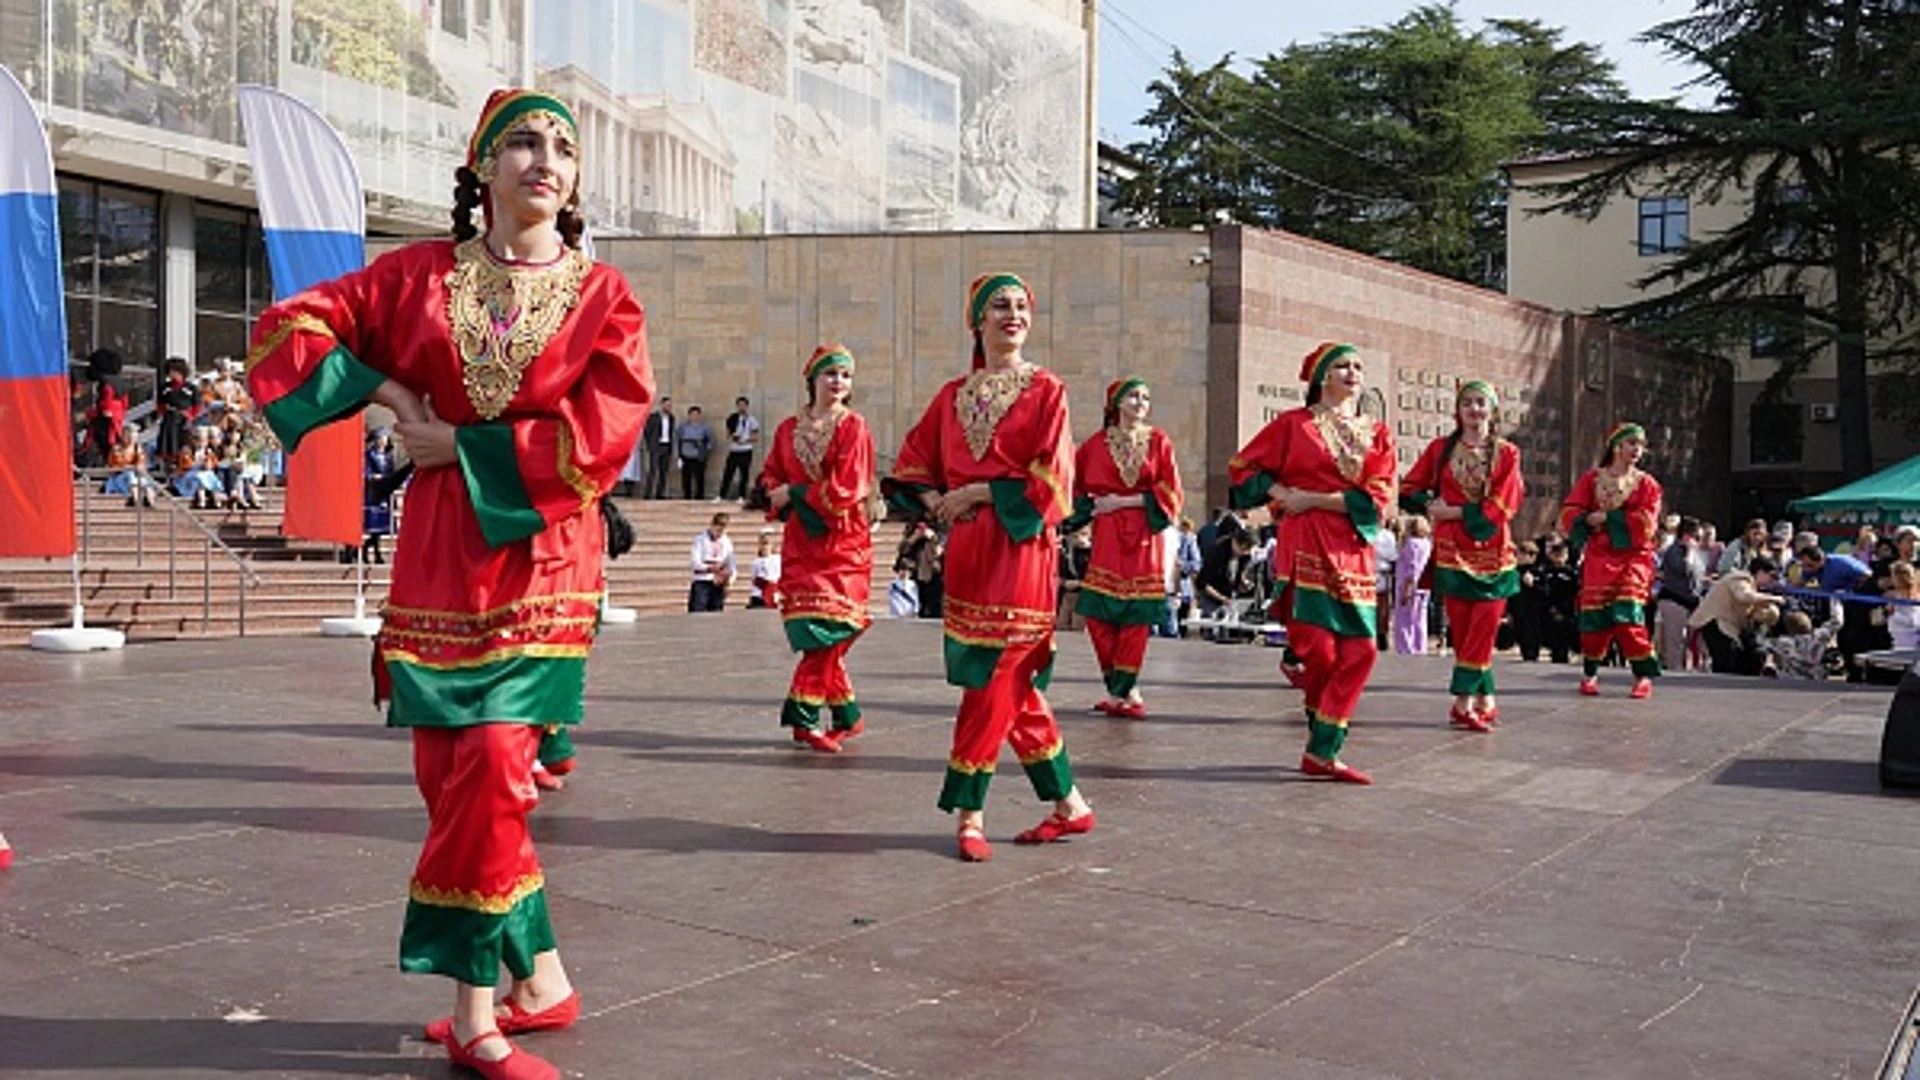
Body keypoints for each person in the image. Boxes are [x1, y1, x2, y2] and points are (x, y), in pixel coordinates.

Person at [245, 88, 653, 1080]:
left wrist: (460, 444)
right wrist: (386, 395)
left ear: (576, 179)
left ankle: (477, 1017)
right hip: (434, 567)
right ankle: (543, 977)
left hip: (543, 564)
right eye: (522, 141)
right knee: (454, 785)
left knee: (491, 774)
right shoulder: (416, 278)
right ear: (481, 167)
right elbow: (288, 328)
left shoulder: (606, 298)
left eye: (563, 145)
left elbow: (603, 436)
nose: (543, 159)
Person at [882, 272, 1094, 862]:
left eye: (1023, 305)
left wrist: (976, 493)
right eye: (1000, 305)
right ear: (977, 320)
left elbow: (1054, 478)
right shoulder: (952, 396)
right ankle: (1069, 804)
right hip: (970, 557)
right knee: (1013, 686)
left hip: (1022, 552)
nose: (1013, 314)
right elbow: (913, 464)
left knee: (992, 679)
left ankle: (969, 811)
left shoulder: (1048, 390)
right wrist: (936, 503)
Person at [1227, 342, 1396, 784]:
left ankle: (1321, 744)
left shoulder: (1377, 433)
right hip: (1305, 542)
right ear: (1322, 375)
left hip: (1353, 547)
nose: (1353, 372)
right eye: (1343, 365)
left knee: (1362, 649)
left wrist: (1316, 498)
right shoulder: (1293, 425)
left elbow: (1379, 495)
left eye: (1359, 365)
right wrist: (1284, 497)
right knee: (1320, 650)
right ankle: (1322, 747)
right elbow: (1243, 468)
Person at [760, 344, 876, 753]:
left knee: (833, 628)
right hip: (802, 543)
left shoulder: (853, 427)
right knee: (817, 633)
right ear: (813, 380)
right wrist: (772, 489)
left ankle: (803, 716)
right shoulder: (787, 428)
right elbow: (771, 471)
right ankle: (847, 715)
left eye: (845, 376)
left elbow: (848, 486)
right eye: (830, 374)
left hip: (843, 542)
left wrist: (792, 492)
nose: (838, 382)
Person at [1399, 380, 1525, 731]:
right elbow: (1409, 488)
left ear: (1493, 410)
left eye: (1481, 402)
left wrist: (1455, 512)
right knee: (1466, 630)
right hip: (1452, 551)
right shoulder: (1441, 449)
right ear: (1458, 410)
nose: (1474, 409)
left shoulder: (1507, 453)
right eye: (1467, 402)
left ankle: (1461, 700)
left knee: (1484, 626)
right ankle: (1487, 699)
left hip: (1493, 552)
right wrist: (1429, 505)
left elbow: (1505, 502)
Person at [1064, 377, 1184, 719]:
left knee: (1136, 615)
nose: (1141, 402)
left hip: (1144, 538)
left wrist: (1121, 501)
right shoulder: (1093, 446)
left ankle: (1124, 692)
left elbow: (1171, 493)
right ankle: (1121, 689)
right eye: (1133, 395)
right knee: (1099, 615)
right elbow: (1074, 488)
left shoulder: (1159, 441)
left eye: (1146, 396)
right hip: (1107, 538)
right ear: (1115, 402)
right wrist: (1075, 516)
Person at [1559, 423, 1664, 698]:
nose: (1637, 450)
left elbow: (1648, 522)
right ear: (1616, 446)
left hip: (1633, 556)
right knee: (1595, 617)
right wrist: (1584, 520)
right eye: (1631, 443)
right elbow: (1570, 510)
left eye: (1640, 445)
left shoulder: (1647, 484)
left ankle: (1642, 675)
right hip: (1599, 555)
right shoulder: (1592, 479)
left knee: (1628, 614)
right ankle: (1590, 672)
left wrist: (1609, 518)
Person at [1796, 542, 1882, 680]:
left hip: (1856, 605)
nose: (1807, 569)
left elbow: (1868, 575)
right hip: (1835, 605)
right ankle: (1850, 670)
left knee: (1854, 639)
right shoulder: (1810, 570)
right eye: (1804, 565)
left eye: (1810, 566)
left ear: (1821, 560)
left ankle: (1861, 673)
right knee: (1841, 639)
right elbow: (1799, 583)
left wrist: (1851, 590)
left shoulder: (1842, 563)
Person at [1687, 554, 1783, 675]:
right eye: (1772, 576)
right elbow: (1744, 596)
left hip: (1724, 626)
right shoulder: (1740, 579)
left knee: (1732, 663)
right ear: (1760, 572)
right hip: (1716, 623)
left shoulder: (1752, 587)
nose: (1772, 581)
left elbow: (1751, 612)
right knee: (1727, 664)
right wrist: (1774, 599)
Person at [1654, 517, 1706, 673]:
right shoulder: (1674, 551)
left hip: (1690, 600)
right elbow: (1682, 569)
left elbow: (1697, 575)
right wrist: (1688, 552)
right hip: (1674, 599)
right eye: (1696, 537)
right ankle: (1673, 669)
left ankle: (1685, 667)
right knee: (1674, 640)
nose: (1698, 541)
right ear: (1687, 535)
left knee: (1687, 641)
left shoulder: (1695, 553)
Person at [1393, 515, 1433, 655]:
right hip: (1424, 584)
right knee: (1420, 617)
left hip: (1408, 583)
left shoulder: (1411, 544)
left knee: (1404, 617)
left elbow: (1412, 567)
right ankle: (1420, 646)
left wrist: (1406, 588)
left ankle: (1405, 647)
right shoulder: (1427, 543)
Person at [1762, 609, 1841, 680]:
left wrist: (1767, 622)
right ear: (1809, 623)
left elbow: (1760, 642)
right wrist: (1835, 599)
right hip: (1816, 679)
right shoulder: (1818, 636)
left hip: (1790, 680)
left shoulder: (1782, 643)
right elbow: (1837, 621)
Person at [363, 428, 398, 564]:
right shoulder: (369, 455)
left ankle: (373, 550)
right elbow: (366, 471)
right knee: (373, 524)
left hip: (386, 491)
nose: (382, 441)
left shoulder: (389, 456)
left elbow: (393, 471)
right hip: (374, 491)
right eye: (380, 438)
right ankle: (370, 550)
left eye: (384, 438)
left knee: (382, 526)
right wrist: (372, 477)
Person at [689, 512, 736, 612]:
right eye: (717, 529)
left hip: (718, 583)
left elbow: (732, 565)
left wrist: (728, 581)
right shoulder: (700, 540)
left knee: (716, 613)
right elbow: (695, 562)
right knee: (698, 612)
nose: (719, 533)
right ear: (712, 525)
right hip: (702, 581)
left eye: (722, 531)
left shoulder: (726, 542)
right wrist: (709, 568)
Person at [103, 422, 155, 507]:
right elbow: (113, 465)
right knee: (129, 475)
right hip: (119, 476)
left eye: (133, 433)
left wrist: (138, 468)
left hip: (135, 475)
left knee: (146, 481)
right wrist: (125, 468)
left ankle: (150, 501)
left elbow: (141, 464)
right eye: (129, 433)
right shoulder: (117, 449)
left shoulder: (138, 449)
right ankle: (135, 499)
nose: (131, 437)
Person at [721, 395, 760, 500]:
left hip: (746, 449)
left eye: (743, 405)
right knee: (728, 472)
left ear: (747, 406)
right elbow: (727, 434)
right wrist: (733, 436)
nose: (741, 407)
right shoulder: (733, 418)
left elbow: (756, 437)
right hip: (734, 449)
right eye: (739, 405)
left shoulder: (752, 420)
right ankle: (722, 495)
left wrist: (745, 440)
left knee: (744, 474)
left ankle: (742, 495)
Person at [642, 396, 676, 498]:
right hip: (656, 446)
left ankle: (660, 493)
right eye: (666, 405)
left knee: (663, 471)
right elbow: (647, 431)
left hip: (666, 445)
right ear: (661, 405)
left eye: (669, 405)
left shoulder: (671, 418)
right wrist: (650, 444)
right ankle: (648, 493)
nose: (668, 407)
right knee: (653, 470)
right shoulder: (654, 417)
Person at [677, 405, 713, 499]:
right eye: (692, 414)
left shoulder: (705, 427)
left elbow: (710, 440)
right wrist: (678, 453)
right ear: (689, 415)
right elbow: (678, 439)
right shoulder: (683, 427)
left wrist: (706, 451)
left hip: (698, 455)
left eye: (696, 414)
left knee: (699, 477)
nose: (694, 416)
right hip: (686, 454)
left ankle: (699, 496)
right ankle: (686, 496)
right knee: (686, 478)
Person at [748, 532, 781, 609]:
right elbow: (754, 578)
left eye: (766, 544)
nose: (764, 547)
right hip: (759, 595)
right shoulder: (755, 562)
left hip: (772, 594)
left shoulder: (777, 559)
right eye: (762, 544)